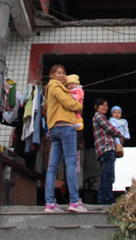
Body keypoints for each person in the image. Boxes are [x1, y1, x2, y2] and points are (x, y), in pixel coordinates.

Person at [44, 64, 87, 213]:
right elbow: (68, 102)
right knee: (70, 163)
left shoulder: (52, 88)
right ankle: (74, 201)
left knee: (53, 167)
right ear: (51, 75)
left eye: (63, 73)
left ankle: (50, 203)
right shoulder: (55, 86)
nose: (62, 75)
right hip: (66, 127)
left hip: (55, 129)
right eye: (59, 73)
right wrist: (78, 106)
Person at [92, 96, 123, 205]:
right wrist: (120, 134)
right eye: (102, 105)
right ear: (96, 107)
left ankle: (102, 202)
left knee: (105, 176)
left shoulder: (100, 117)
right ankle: (109, 201)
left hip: (103, 150)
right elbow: (110, 128)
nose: (105, 107)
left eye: (106, 105)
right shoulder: (99, 116)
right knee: (109, 177)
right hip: (107, 148)